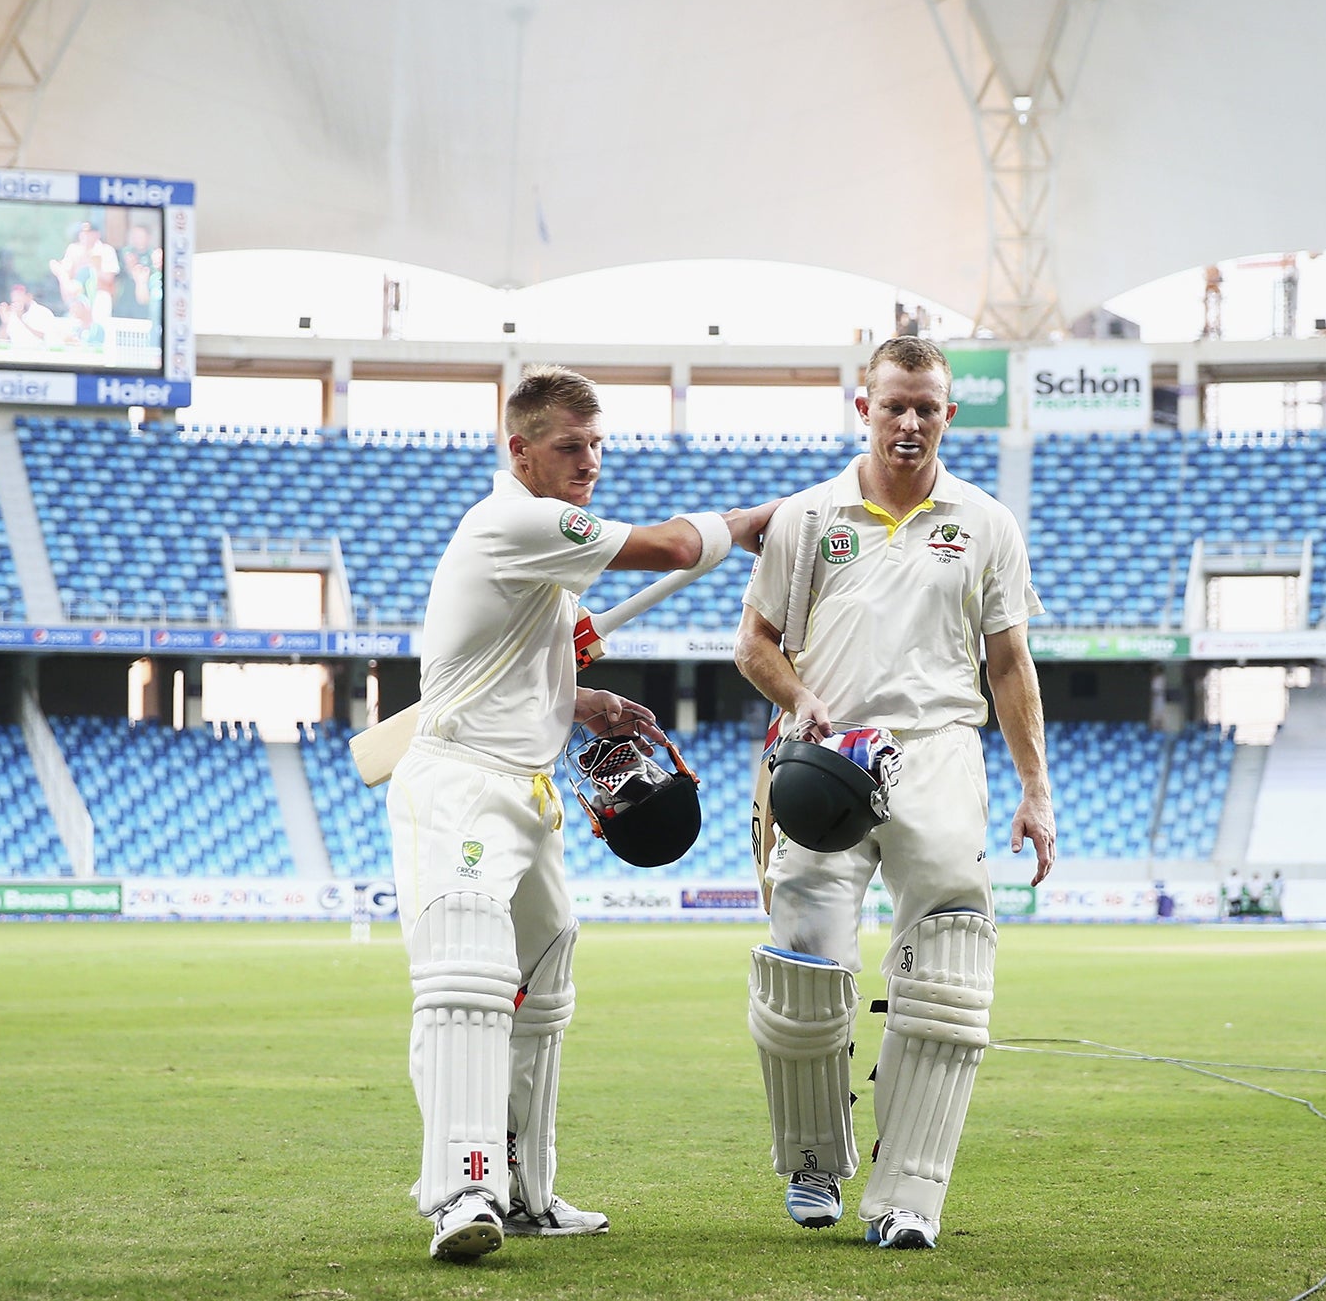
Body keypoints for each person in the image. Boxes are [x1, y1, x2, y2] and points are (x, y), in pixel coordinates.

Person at [388, 364, 778, 1263]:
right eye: (571, 446)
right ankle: (460, 1190)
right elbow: (678, 551)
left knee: (545, 990)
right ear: (518, 449)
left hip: (527, 788)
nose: (590, 461)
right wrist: (759, 523)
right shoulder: (512, 521)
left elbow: (514, 665)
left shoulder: (545, 562)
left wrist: (581, 698)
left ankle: (528, 1194)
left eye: (599, 444)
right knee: (467, 986)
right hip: (460, 786)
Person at [734, 335, 1056, 1252]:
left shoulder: (987, 522)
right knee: (804, 966)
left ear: (950, 414)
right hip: (821, 754)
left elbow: (1008, 663)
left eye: (926, 407)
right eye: (893, 406)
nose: (909, 422)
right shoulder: (805, 516)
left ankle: (909, 1193)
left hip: (941, 752)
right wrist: (799, 699)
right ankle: (810, 1161)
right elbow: (752, 643)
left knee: (950, 972)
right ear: (864, 408)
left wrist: (1036, 789)